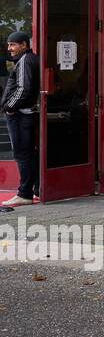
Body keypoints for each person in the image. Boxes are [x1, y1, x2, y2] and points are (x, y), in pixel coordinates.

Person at [1, 31, 39, 208]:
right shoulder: (28, 60)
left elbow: (23, 89)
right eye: (9, 45)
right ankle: (36, 189)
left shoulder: (25, 60)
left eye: (13, 44)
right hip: (23, 114)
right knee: (28, 153)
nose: (10, 49)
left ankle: (24, 193)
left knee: (22, 154)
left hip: (20, 115)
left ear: (24, 45)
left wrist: (9, 108)